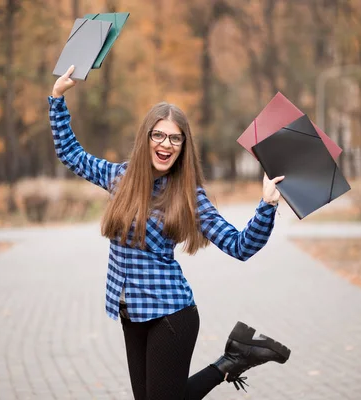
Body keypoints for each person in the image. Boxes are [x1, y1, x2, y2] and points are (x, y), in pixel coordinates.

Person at [49, 65, 291, 399]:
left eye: (175, 138)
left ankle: (231, 360)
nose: (167, 144)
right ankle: (235, 358)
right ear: (146, 138)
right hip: (131, 312)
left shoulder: (188, 194)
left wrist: (267, 205)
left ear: (183, 145)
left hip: (171, 315)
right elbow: (70, 154)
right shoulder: (119, 177)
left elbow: (240, 245)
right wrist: (57, 98)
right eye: (159, 135)